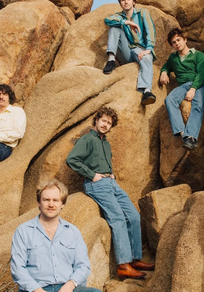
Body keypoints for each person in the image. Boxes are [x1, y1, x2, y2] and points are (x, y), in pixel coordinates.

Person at [66, 106, 154, 280]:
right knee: (118, 218)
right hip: (96, 184)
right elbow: (71, 159)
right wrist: (92, 175)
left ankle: (135, 259)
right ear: (96, 120)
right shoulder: (87, 139)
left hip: (111, 183)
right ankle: (123, 266)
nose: (105, 125)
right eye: (103, 121)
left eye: (109, 123)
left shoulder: (106, 143)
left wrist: (111, 174)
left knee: (134, 215)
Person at [159, 28, 204, 151]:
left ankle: (191, 137)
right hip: (183, 86)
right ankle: (183, 134)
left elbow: (201, 74)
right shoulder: (173, 58)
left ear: (185, 40)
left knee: (198, 103)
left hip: (201, 85)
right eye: (174, 42)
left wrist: (193, 89)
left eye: (178, 40)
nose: (177, 43)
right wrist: (164, 72)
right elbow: (166, 66)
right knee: (169, 99)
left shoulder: (198, 55)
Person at [103, 0, 157, 106]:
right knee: (115, 26)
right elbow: (107, 20)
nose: (126, 2)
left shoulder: (142, 13)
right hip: (126, 51)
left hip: (140, 49)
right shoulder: (119, 16)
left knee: (147, 58)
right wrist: (126, 22)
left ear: (133, 2)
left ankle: (146, 91)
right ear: (120, 3)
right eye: (123, 0)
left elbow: (150, 30)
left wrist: (149, 49)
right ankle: (111, 60)